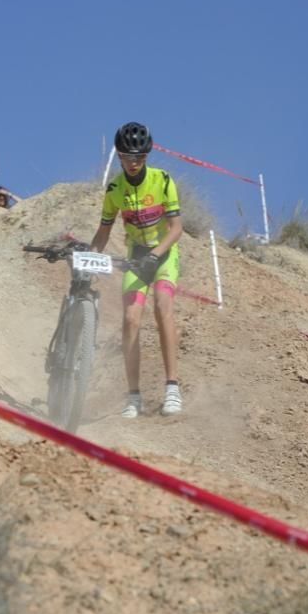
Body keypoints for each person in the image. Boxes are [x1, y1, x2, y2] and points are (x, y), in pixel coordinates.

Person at [90, 121, 183, 418]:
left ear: (147, 155)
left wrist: (156, 254)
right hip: (135, 256)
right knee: (130, 320)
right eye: (127, 157)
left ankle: (172, 387)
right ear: (118, 155)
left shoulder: (163, 180)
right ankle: (134, 397)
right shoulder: (115, 188)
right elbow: (103, 232)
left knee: (162, 306)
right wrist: (90, 258)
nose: (132, 163)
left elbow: (176, 228)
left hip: (163, 254)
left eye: (139, 157)